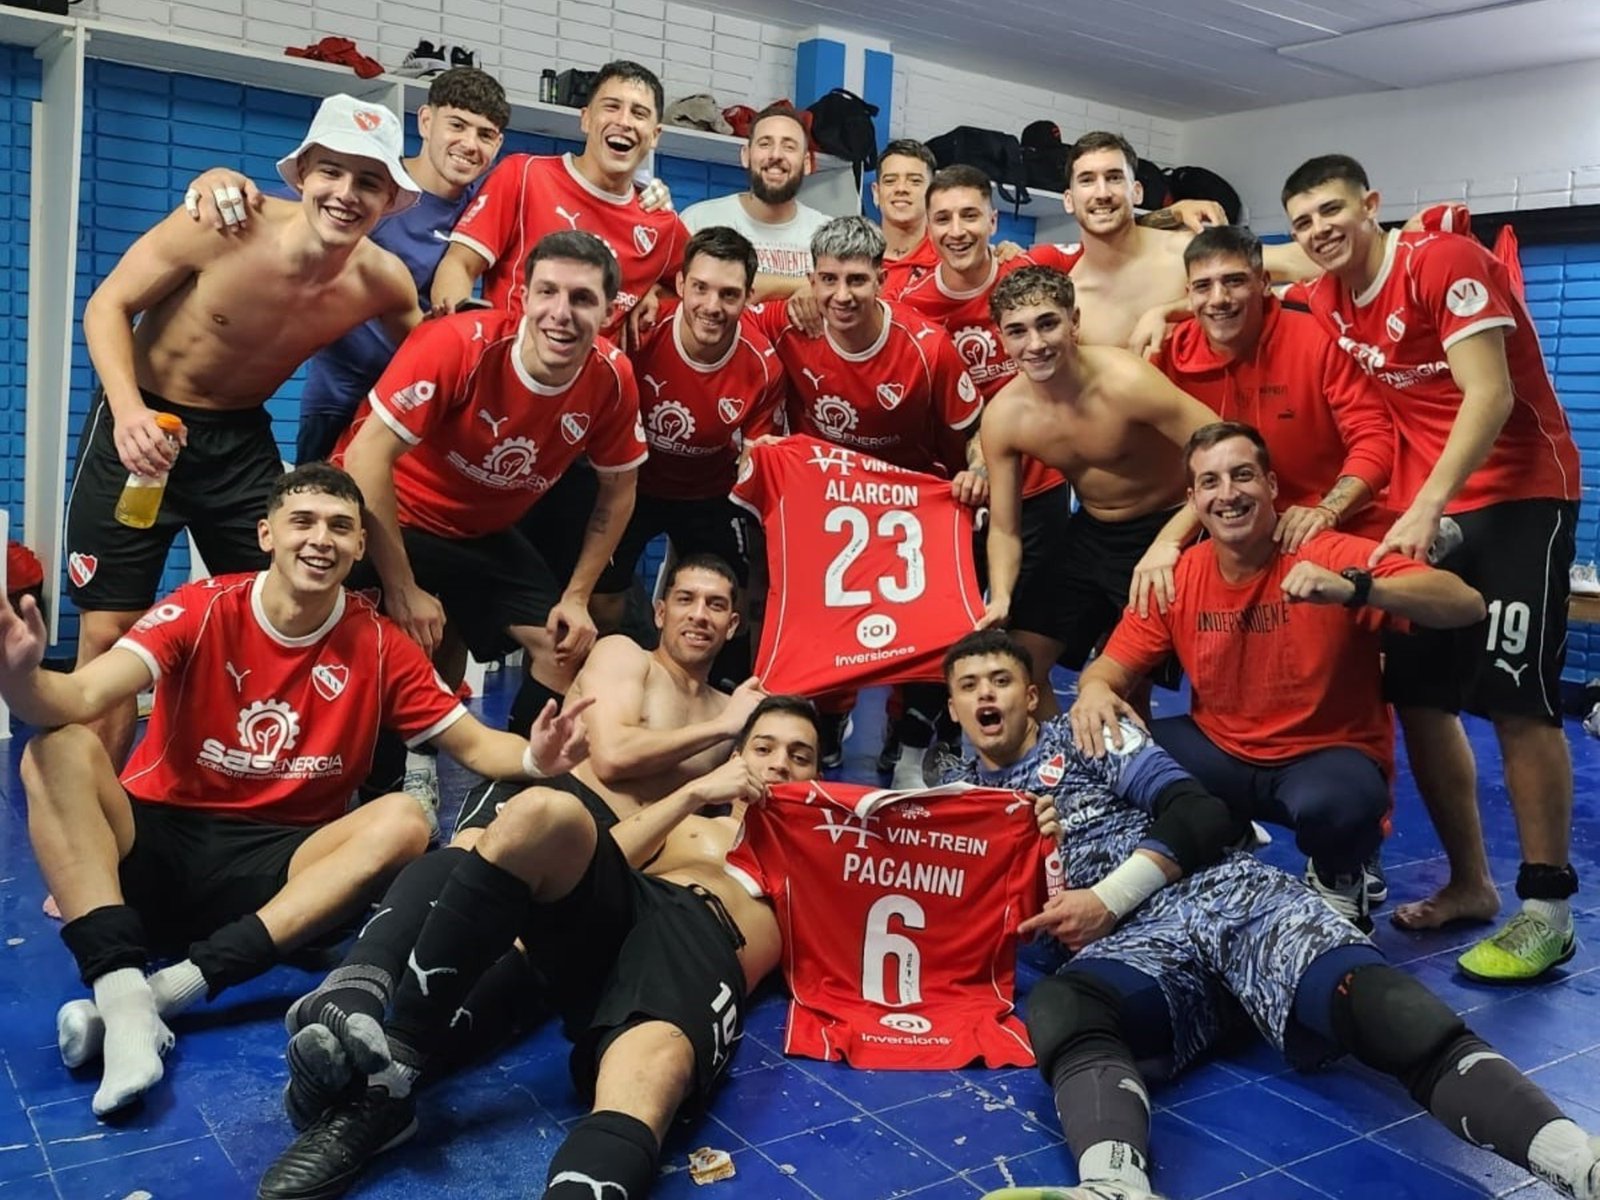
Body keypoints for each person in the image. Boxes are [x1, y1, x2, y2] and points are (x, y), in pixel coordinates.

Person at [3, 464, 589, 1117]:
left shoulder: (379, 642)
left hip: (279, 874)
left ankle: (163, 994)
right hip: (159, 843)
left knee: (404, 818)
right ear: (266, 534)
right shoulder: (200, 607)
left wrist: (539, 756)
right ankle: (121, 992)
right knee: (55, 749)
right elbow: (78, 695)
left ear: (361, 547)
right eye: (302, 521)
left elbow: (478, 747)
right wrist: (19, 678)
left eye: (341, 526)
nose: (321, 539)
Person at [935, 630, 1600, 1200]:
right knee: (1060, 1009)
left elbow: (1202, 814)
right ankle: (1114, 1185)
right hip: (1138, 953)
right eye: (970, 685)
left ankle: (1577, 1160)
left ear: (1030, 694)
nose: (986, 694)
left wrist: (1106, 898)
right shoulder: (958, 809)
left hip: (1226, 898)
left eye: (1001, 679)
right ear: (953, 705)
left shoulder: (1086, 735)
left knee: (1379, 1004)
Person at [267, 552, 765, 1127]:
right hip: (553, 801)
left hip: (614, 850)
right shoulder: (627, 658)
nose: (699, 615)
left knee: (526, 961)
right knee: (465, 867)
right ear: (659, 609)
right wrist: (723, 733)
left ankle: (372, 1071)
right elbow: (614, 753)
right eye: (686, 599)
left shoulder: (735, 712)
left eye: (717, 605)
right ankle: (350, 998)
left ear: (733, 624)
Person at [256, 696, 821, 1200]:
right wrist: (694, 792)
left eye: (801, 755)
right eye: (764, 747)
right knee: (539, 815)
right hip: (637, 903)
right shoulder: (693, 820)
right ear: (736, 758)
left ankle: (358, 1088)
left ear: (822, 773)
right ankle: (389, 1073)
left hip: (705, 941)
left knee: (650, 1077)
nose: (778, 763)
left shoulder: (830, 865)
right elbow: (608, 855)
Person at [1283, 154, 1583, 977]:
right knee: (1418, 695)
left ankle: (1547, 908)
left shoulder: (1438, 262)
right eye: (1303, 220)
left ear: (1373, 205)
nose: (1318, 231)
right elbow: (1256, 262)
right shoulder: (1324, 291)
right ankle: (1470, 885)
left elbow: (1488, 395)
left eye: (1333, 211)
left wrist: (1426, 504)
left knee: (1517, 700)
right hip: (1440, 509)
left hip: (1521, 495)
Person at [66, 93, 424, 763]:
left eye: (368, 182)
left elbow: (441, 358)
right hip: (144, 422)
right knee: (111, 628)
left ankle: (247, 781)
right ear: (303, 174)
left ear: (389, 202)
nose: (346, 194)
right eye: (332, 173)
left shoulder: (383, 282)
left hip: (239, 442)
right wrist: (128, 412)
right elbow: (107, 304)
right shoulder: (220, 224)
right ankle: (99, 808)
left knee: (288, 605)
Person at [1069, 421, 1486, 928]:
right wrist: (1093, 690)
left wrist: (1354, 589)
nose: (1228, 495)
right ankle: (1218, 831)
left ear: (1270, 486)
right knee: (1099, 750)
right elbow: (1111, 668)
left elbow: (1465, 604)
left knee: (1344, 804)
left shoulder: (1327, 552)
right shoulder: (1179, 575)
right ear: (1193, 499)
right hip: (1220, 751)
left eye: (1242, 476)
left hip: (1321, 760)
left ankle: (1339, 875)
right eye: (1210, 482)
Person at [335, 230, 646, 779]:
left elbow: (620, 490)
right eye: (547, 292)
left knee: (563, 645)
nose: (561, 313)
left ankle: (518, 781)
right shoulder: (460, 345)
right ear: (521, 297)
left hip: (481, 532)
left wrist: (576, 598)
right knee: (385, 654)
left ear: (609, 310)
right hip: (393, 514)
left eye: (582, 299)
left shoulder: (613, 378)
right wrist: (403, 589)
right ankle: (380, 789)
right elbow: (365, 458)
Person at [749, 214, 988, 769]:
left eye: (856, 279)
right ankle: (827, 722)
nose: (841, 294)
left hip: (911, 504)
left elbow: (976, 435)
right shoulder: (789, 325)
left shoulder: (928, 347)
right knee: (824, 617)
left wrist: (976, 471)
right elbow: (733, 301)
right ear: (812, 280)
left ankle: (915, 738)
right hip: (827, 503)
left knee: (934, 623)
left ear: (882, 279)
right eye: (827, 279)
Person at [183, 68, 512, 463]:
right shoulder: (367, 186)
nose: (469, 144)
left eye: (485, 134)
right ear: (426, 121)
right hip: (340, 398)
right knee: (322, 515)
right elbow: (271, 206)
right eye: (456, 125)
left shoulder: (485, 206)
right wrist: (216, 181)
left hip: (417, 396)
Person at [976, 265, 1218, 715]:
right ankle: (1062, 772)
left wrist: (1173, 539)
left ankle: (1137, 779)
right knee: (1020, 665)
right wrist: (1004, 595)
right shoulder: (1005, 416)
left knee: (1128, 683)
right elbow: (1006, 530)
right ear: (1001, 339)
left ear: (1075, 322)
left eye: (1048, 323)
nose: (1035, 343)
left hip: (1168, 522)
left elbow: (1226, 450)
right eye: (1017, 331)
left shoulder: (1126, 382)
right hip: (1091, 531)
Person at [899, 166, 1074, 721]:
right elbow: (832, 291)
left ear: (994, 221)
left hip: (1039, 489)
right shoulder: (909, 304)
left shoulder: (1030, 274)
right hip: (954, 495)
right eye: (944, 218)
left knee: (1023, 648)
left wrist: (1179, 213)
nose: (957, 230)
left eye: (971, 215)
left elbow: (1116, 242)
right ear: (927, 229)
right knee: (950, 635)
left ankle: (1040, 765)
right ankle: (928, 745)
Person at [585, 227, 784, 659]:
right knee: (601, 601)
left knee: (728, 598)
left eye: (729, 295)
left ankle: (720, 695)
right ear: (679, 284)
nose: (712, 307)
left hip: (706, 492)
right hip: (630, 486)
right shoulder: (639, 332)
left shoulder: (763, 365)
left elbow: (756, 460)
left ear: (750, 296)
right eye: (701, 289)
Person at [1155, 224, 1396, 544]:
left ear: (1264, 282)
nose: (1219, 299)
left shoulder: (1318, 340)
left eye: (1234, 281)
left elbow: (1376, 437)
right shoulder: (1168, 352)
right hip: (1230, 530)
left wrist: (1328, 511)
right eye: (1203, 286)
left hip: (1336, 524)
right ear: (1189, 294)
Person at [430, 59, 688, 338]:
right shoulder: (524, 175)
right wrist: (461, 344)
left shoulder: (663, 224)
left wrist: (654, 293)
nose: (623, 121)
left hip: (593, 378)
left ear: (655, 135)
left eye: (639, 113)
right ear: (586, 119)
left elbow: (705, 286)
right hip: (505, 369)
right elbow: (460, 264)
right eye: (611, 106)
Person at [679, 102, 832, 298]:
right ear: (746, 156)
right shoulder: (699, 221)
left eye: (789, 146)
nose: (776, 155)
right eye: (765, 144)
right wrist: (806, 284)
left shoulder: (829, 234)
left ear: (808, 163)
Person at [874, 138, 942, 299]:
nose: (901, 189)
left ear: (933, 194)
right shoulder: (850, 259)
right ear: (876, 193)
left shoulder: (951, 259)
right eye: (890, 181)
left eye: (915, 181)